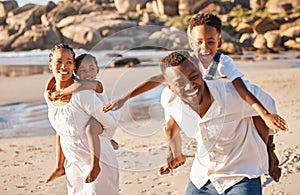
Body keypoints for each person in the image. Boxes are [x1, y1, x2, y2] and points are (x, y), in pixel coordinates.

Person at [102, 12, 287, 180]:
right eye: (199, 42)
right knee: (169, 127)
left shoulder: (222, 62)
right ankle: (175, 154)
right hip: (197, 98)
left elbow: (240, 87)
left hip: (230, 97)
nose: (204, 47)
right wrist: (125, 97)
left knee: (260, 115)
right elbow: (157, 79)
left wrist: (264, 114)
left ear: (219, 42)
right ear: (191, 42)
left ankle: (269, 151)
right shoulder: (189, 63)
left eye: (210, 41)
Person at [159, 51, 283, 194]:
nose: (189, 86)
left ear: (200, 71)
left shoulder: (232, 95)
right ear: (170, 87)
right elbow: (169, 127)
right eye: (180, 83)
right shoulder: (169, 100)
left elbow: (268, 105)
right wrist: (175, 154)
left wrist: (269, 151)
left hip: (241, 175)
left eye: (193, 76)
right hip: (202, 176)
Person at [44, 44, 119, 194]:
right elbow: (60, 132)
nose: (63, 66)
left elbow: (111, 123)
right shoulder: (49, 94)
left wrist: (107, 138)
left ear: (74, 67)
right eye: (59, 62)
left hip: (98, 160)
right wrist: (60, 166)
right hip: (72, 163)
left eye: (69, 62)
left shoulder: (83, 94)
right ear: (50, 65)